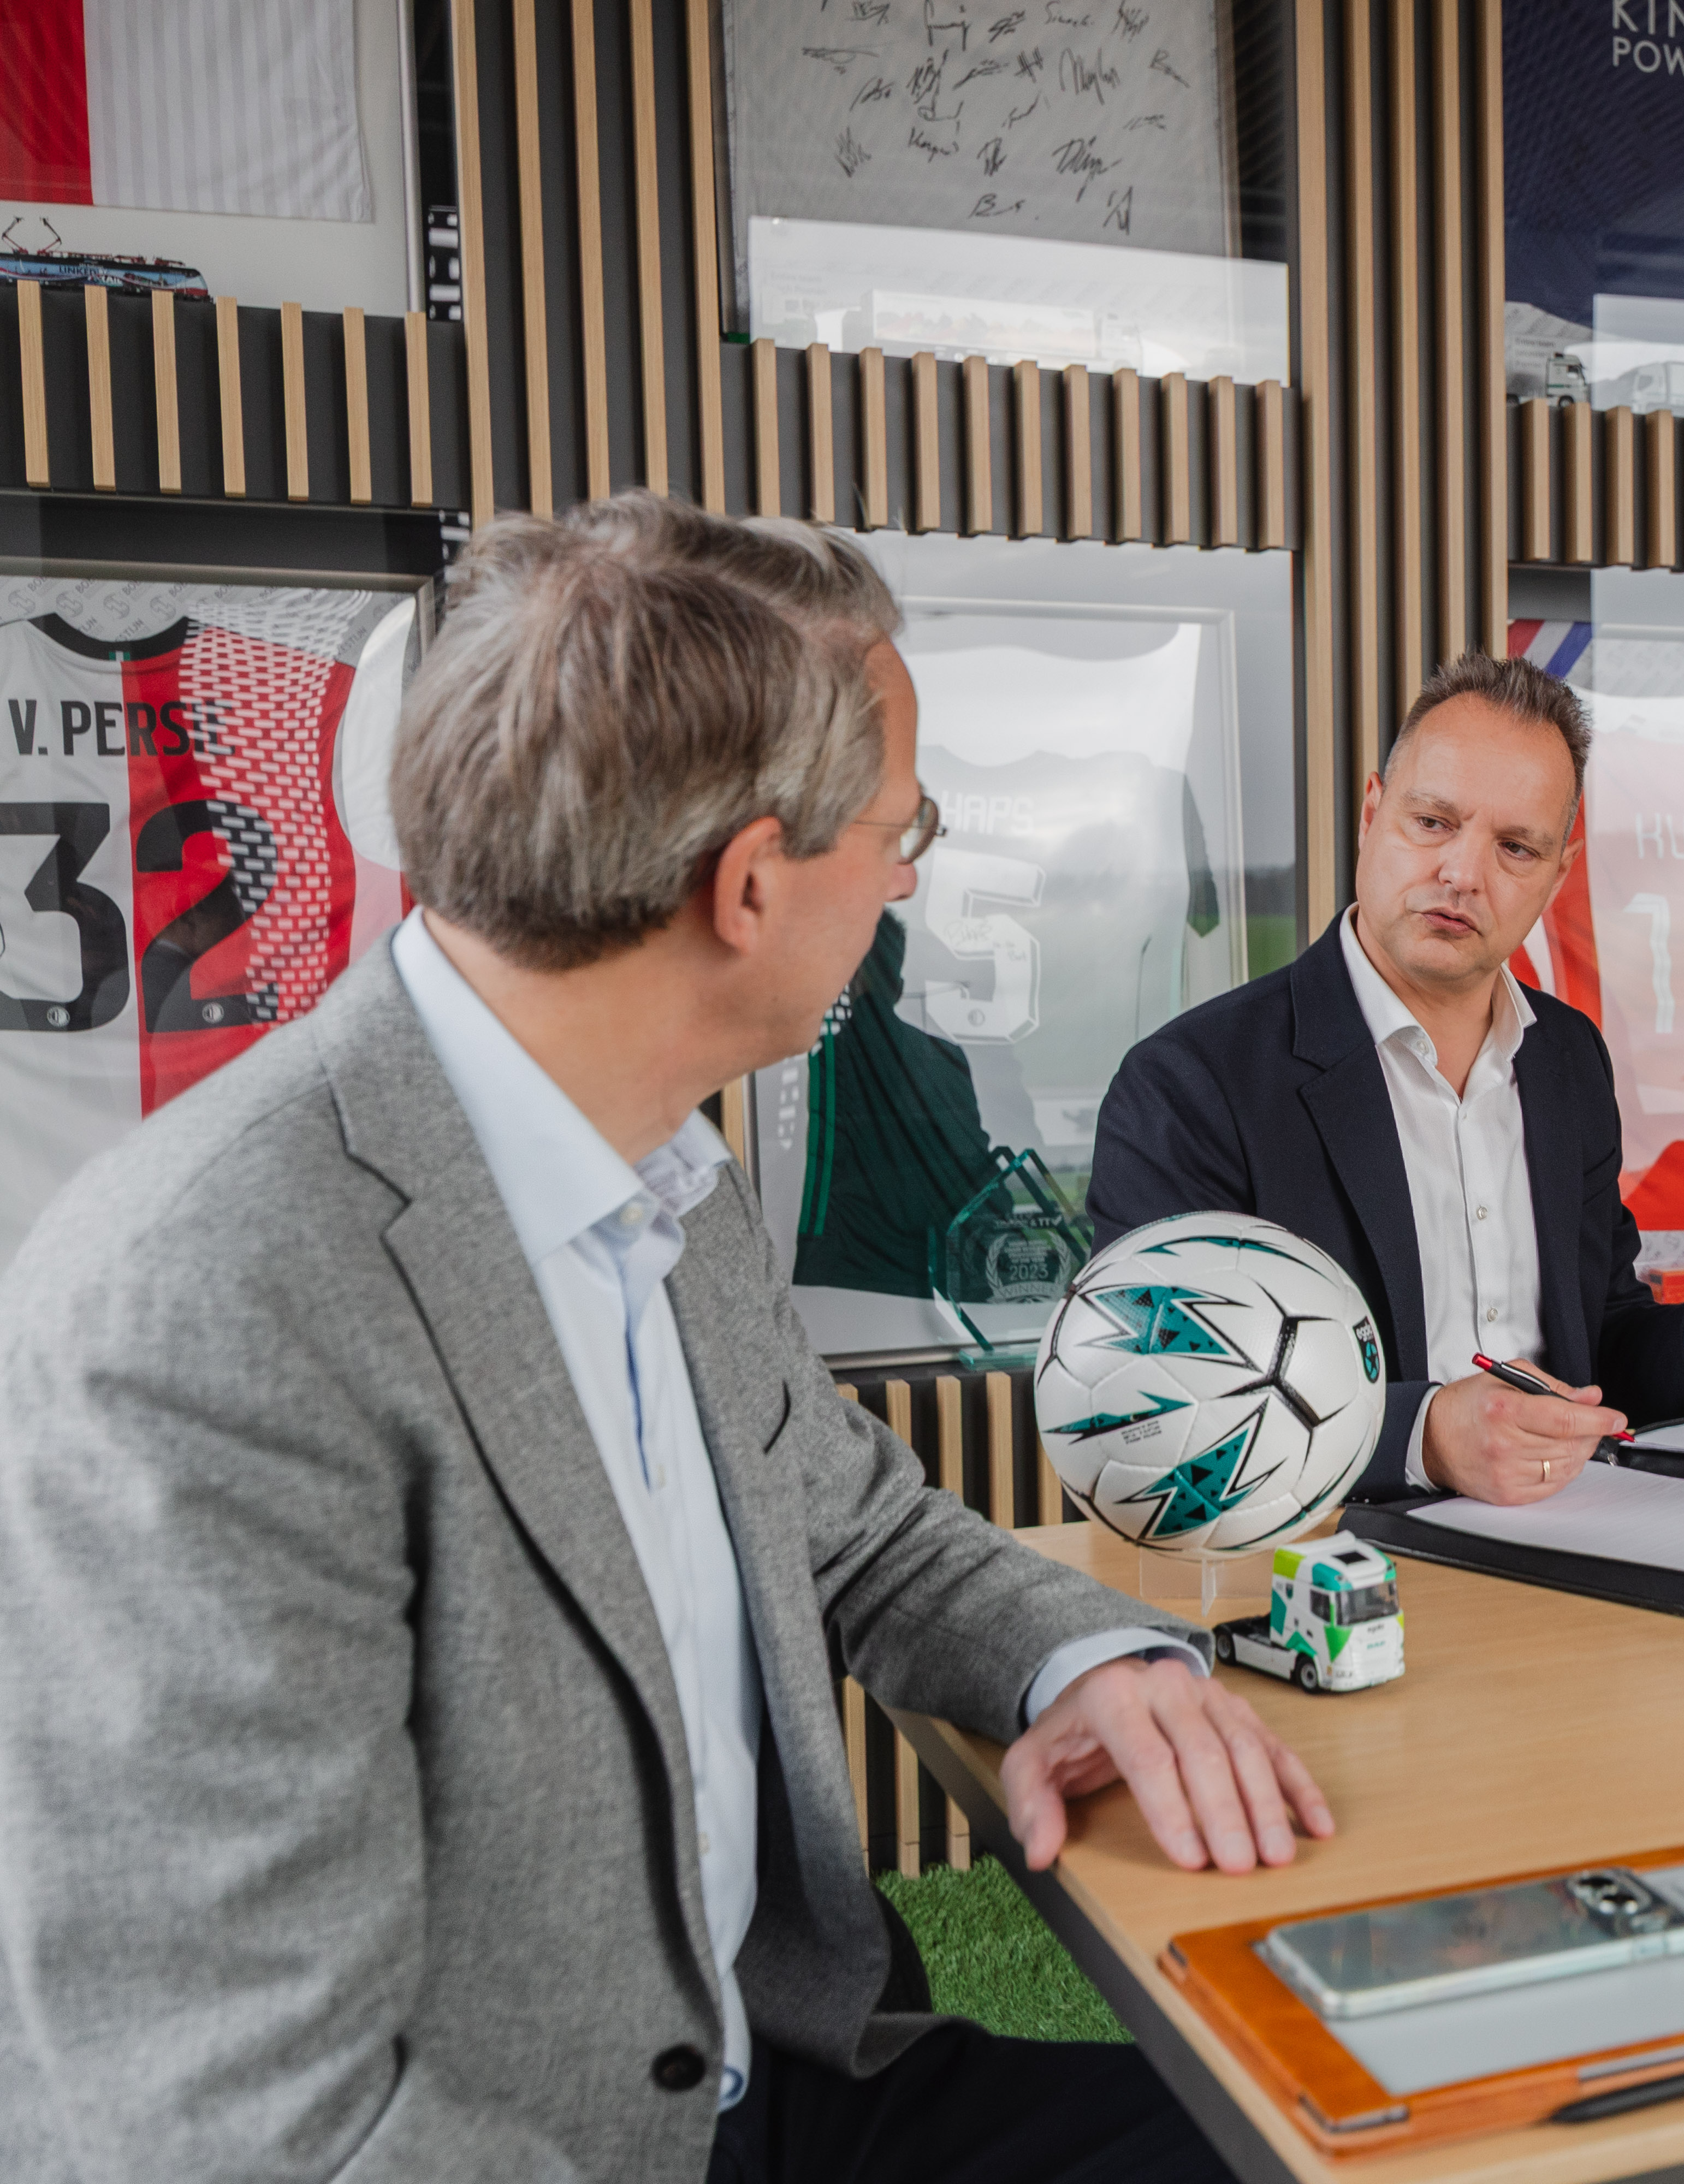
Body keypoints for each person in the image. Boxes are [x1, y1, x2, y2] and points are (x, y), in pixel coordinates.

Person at [0, 494, 1331, 2184]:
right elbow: (247, 2118)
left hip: (788, 2076)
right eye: (904, 830)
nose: (909, 879)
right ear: (752, 885)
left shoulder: (666, 1176)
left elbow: (859, 1526)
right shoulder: (201, 1307)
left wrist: (1097, 1667)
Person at [1092, 652, 1684, 1507]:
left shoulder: (1568, 1058)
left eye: (1515, 847)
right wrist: (1425, 1436)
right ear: (1372, 814)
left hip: (1580, 1536)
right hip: (1338, 1561)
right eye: (1433, 822)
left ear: (1557, 874)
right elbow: (1167, 1400)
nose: (1463, 874)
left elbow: (1598, 1340)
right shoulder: (1189, 1087)